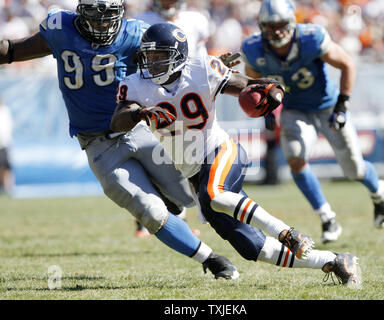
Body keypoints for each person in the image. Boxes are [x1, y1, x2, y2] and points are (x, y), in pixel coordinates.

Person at [0, 0, 240, 280]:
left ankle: (212, 216)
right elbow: (13, 50)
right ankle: (210, 259)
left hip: (139, 128)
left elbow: (170, 69)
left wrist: (203, 72)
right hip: (97, 143)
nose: (103, 25)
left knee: (189, 195)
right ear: (81, 13)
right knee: (149, 212)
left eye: (108, 17)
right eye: (96, 18)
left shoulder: (136, 34)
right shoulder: (60, 28)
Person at [110, 22, 362, 286]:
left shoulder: (202, 69)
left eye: (160, 56)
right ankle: (334, 260)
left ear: (179, 56)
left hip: (220, 150)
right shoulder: (135, 85)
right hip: (194, 174)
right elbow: (117, 121)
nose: (152, 63)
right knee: (253, 248)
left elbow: (249, 86)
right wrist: (139, 113)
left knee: (215, 193)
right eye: (149, 56)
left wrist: (269, 90)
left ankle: (287, 232)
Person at [241, 0, 384, 243]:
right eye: (270, 25)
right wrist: (267, 112)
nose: (276, 30)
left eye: (280, 24)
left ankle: (378, 191)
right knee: (295, 158)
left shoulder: (311, 38)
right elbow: (256, 84)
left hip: (327, 105)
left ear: (291, 23)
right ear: (261, 26)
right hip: (295, 108)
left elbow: (347, 64)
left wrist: (342, 103)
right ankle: (327, 217)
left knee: (354, 169)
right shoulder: (254, 48)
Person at [133, 0, 211, 237]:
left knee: (191, 157)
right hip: (154, 95)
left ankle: (198, 210)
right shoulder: (141, 21)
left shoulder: (197, 19)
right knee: (153, 158)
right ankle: (151, 216)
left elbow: (201, 56)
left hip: (188, 95)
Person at [0, 98, 14, 195]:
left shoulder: (4, 111)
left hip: (4, 143)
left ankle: (7, 187)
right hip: (4, 143)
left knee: (5, 167)